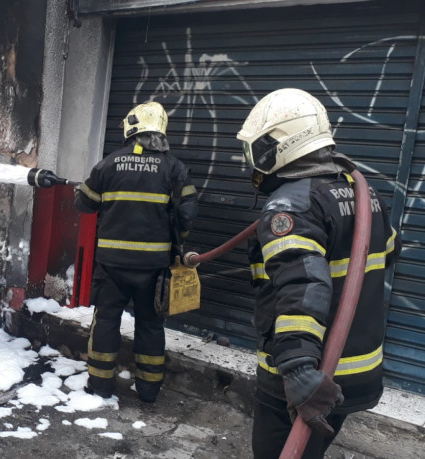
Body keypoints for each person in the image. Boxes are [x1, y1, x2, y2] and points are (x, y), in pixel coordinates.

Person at [237, 88, 399, 458]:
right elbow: (387, 252)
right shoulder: (366, 194)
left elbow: (301, 286)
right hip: (356, 372)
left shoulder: (292, 206)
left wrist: (296, 370)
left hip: (307, 378)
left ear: (281, 143)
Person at [74, 101, 198, 403]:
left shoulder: (109, 164)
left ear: (132, 128)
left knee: (106, 321)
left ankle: (101, 387)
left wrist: (89, 190)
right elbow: (187, 216)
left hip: (112, 266)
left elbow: (84, 204)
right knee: (150, 325)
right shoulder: (175, 169)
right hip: (154, 268)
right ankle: (149, 390)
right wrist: (178, 244)